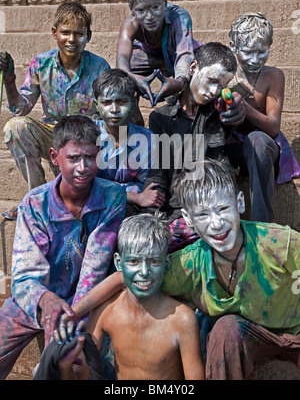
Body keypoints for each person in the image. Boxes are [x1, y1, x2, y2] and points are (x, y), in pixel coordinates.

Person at [64, 159, 300, 380]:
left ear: (239, 203)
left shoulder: (278, 242)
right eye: (203, 215)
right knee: (225, 328)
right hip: (252, 337)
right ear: (188, 218)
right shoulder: (190, 262)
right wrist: (72, 314)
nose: (216, 224)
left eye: (223, 209)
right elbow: (125, 278)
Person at [0, 115, 126, 380]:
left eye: (90, 157)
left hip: (87, 300)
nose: (83, 167)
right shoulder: (35, 203)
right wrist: (45, 300)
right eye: (74, 158)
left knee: (92, 361)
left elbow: (94, 268)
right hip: (36, 298)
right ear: (55, 157)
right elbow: (24, 275)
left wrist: (69, 315)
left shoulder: (113, 196)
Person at [42, 214, 205, 380]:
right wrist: (65, 365)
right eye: (134, 261)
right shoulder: (106, 311)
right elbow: (85, 375)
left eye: (154, 261)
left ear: (167, 263)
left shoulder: (182, 319)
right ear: (119, 263)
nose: (144, 272)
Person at [0, 1, 110, 219]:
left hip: (87, 138)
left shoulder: (99, 67)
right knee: (15, 127)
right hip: (53, 135)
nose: (71, 39)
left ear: (89, 35)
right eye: (65, 32)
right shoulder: (40, 64)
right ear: (54, 33)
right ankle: (39, 198)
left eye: (78, 34)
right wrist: (10, 81)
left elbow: (107, 111)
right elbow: (19, 108)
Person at [142, 41, 245, 251]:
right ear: (193, 68)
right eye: (211, 81)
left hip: (210, 210)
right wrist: (149, 215)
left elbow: (220, 165)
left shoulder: (218, 114)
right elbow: (159, 170)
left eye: (221, 86)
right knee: (147, 245)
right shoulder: (161, 118)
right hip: (177, 210)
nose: (214, 91)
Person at [226, 12, 300, 222]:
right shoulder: (226, 76)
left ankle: (262, 226)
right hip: (233, 147)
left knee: (256, 141)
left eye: (262, 52)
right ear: (233, 46)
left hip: (264, 150)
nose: (255, 59)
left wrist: (245, 108)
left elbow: (273, 128)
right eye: (248, 52)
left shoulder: (273, 76)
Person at [116, 0, 202, 122]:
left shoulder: (179, 17)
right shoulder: (130, 25)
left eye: (155, 7)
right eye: (141, 10)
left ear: (165, 2)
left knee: (199, 72)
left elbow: (185, 54)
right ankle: (134, 123)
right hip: (146, 55)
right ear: (132, 10)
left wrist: (180, 82)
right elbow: (122, 61)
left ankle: (189, 121)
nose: (149, 17)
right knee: (120, 80)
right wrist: (133, 79)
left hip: (176, 53)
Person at [92, 68, 165, 215]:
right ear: (96, 106)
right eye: (106, 103)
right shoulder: (87, 135)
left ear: (133, 103)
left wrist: (137, 197)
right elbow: (83, 184)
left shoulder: (147, 139)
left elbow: (146, 188)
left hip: (127, 210)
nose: (114, 109)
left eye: (121, 102)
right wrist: (134, 197)